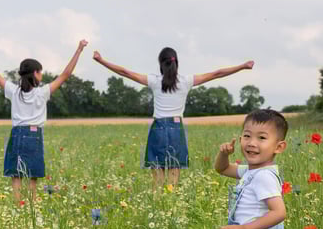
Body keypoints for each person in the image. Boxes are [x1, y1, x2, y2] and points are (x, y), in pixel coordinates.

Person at [93, 47, 254, 189]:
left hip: (158, 129)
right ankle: (170, 205)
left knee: (157, 179)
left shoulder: (154, 81)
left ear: (161, 64)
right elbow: (217, 74)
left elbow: (125, 72)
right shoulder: (186, 81)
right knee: (174, 176)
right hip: (177, 129)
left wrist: (101, 61)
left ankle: (157, 205)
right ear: (177, 62)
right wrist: (242, 66)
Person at [0, 38, 88, 202]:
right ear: (35, 73)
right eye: (40, 72)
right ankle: (31, 205)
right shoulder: (42, 92)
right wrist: (79, 50)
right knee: (33, 175)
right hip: (34, 134)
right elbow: (66, 74)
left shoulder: (13, 91)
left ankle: (18, 205)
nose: (42, 75)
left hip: (17, 133)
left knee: (16, 174)